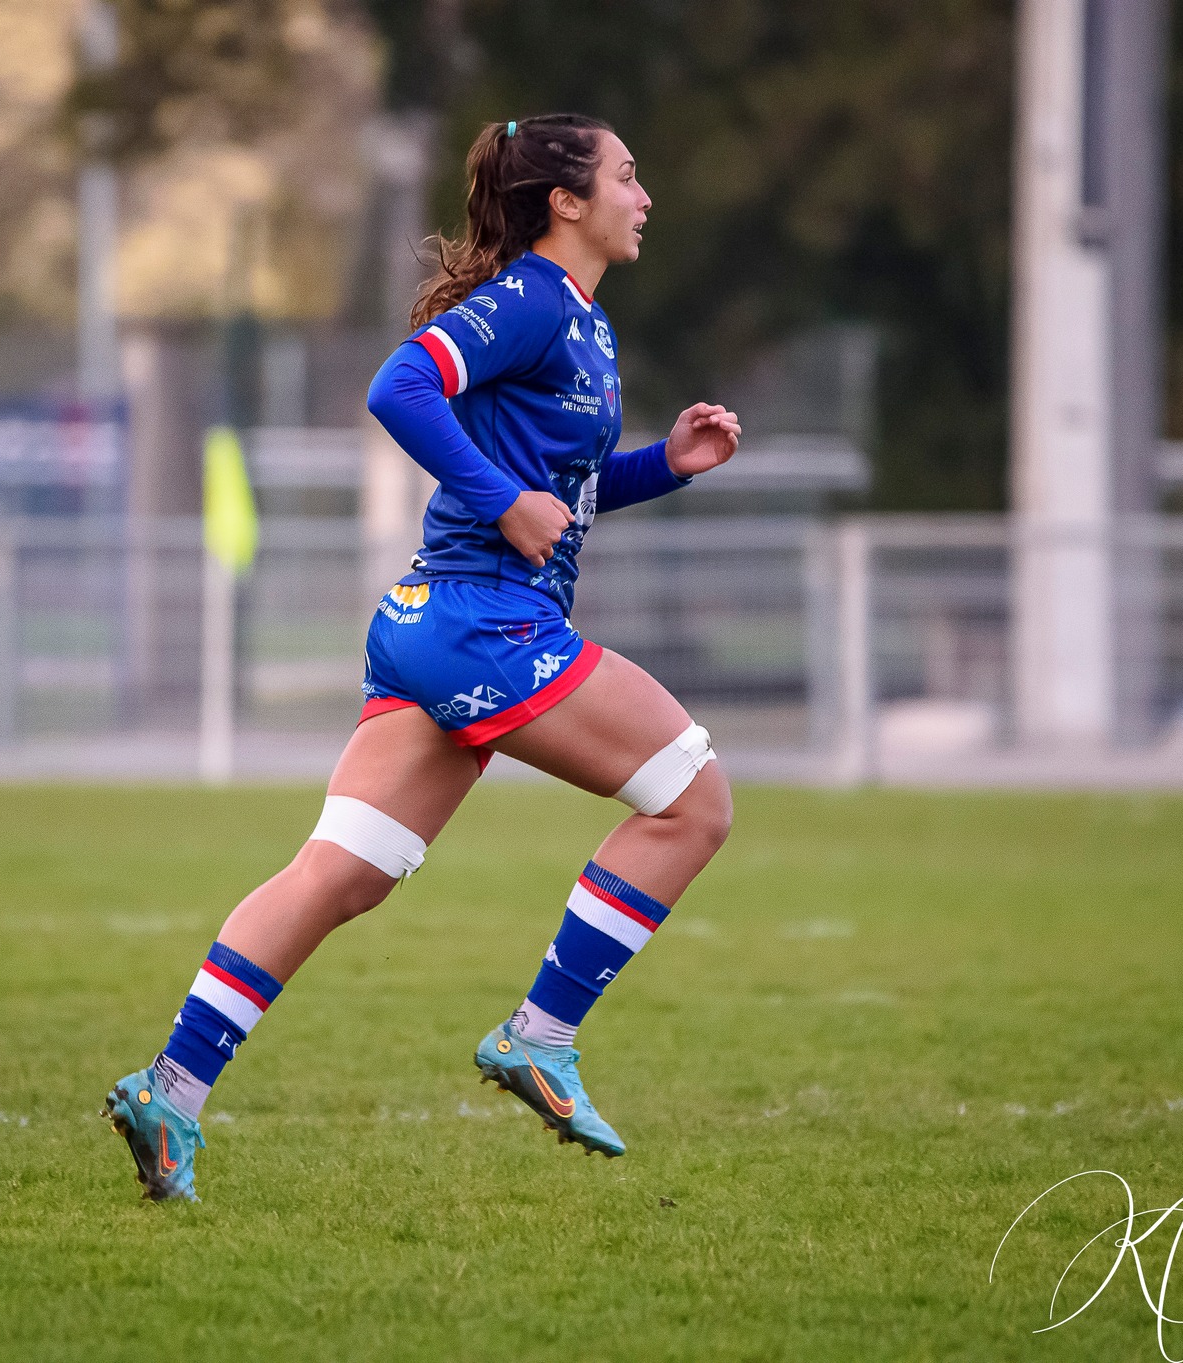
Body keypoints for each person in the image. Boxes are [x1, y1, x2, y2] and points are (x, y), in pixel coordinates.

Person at [104, 113, 742, 1202]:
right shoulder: (536, 299)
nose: (646, 197)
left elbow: (561, 501)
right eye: (628, 176)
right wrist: (501, 501)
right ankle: (539, 1035)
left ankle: (171, 1089)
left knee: (338, 873)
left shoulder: (583, 324)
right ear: (566, 203)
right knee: (692, 801)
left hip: (432, 625)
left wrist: (663, 467)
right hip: (482, 622)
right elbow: (398, 388)